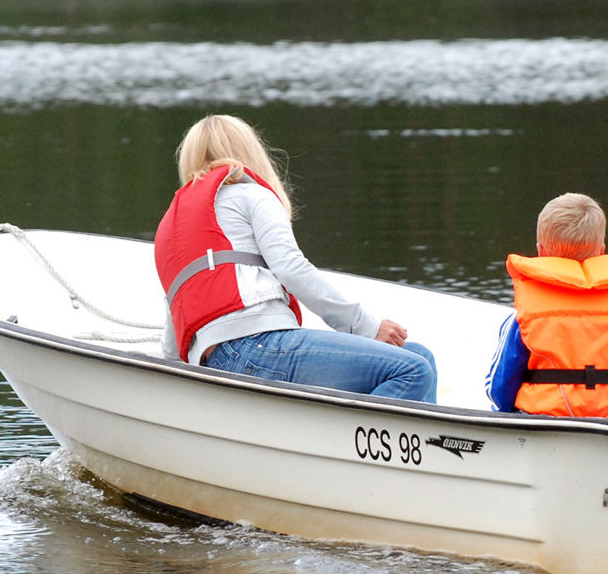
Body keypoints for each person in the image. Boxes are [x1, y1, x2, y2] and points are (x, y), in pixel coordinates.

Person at [154, 114, 437, 403]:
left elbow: (172, 325)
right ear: (249, 150)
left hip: (214, 361)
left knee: (417, 356)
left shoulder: (171, 227)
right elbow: (291, 268)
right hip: (258, 345)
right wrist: (366, 327)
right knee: (413, 369)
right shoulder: (252, 195)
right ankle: (335, 446)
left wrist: (177, 382)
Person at [485, 193, 608, 440]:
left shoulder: (524, 317)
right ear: (601, 251)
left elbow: (501, 385)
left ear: (540, 251)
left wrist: (509, 421)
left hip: (540, 431)